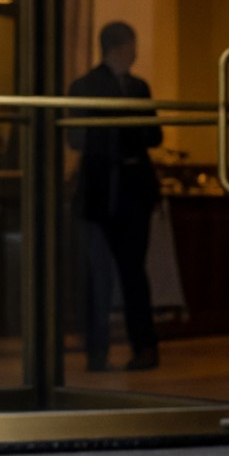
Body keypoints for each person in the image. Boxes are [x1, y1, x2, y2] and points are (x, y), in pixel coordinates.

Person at [67, 21, 163, 372]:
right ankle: (101, 348)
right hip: (103, 189)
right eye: (132, 46)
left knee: (128, 272)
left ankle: (136, 346)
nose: (135, 53)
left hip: (128, 187)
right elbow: (78, 139)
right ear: (119, 47)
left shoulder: (135, 86)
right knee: (104, 273)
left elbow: (154, 135)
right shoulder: (89, 86)